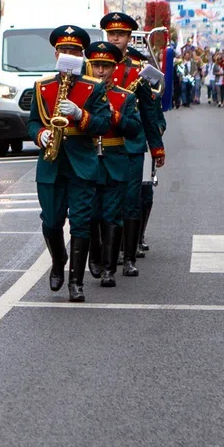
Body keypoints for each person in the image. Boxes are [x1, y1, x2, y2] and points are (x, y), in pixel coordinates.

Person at [27, 26, 111, 301]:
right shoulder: (43, 87)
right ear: (56, 54)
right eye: (64, 50)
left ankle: (76, 282)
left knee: (81, 222)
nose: (69, 55)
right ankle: (58, 259)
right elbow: (32, 123)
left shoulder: (94, 88)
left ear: (82, 55)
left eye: (74, 51)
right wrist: (41, 134)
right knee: (51, 222)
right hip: (51, 163)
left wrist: (80, 114)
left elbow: (103, 124)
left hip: (82, 162)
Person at [100, 13, 165, 269]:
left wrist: (156, 146)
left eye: (120, 34)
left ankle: (128, 257)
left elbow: (149, 111)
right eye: (111, 34)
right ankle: (107, 253)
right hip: (103, 145)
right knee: (105, 202)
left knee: (132, 200)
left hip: (132, 144)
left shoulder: (139, 71)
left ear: (129, 38)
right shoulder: (95, 67)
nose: (115, 38)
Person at [85, 41, 144, 285]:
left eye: (106, 66)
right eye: (96, 65)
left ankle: (109, 269)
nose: (100, 71)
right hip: (88, 161)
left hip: (114, 159)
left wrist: (116, 116)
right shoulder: (82, 93)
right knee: (91, 214)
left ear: (113, 68)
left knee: (112, 215)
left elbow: (134, 128)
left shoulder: (125, 97)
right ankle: (95, 256)